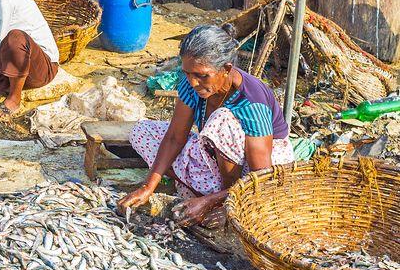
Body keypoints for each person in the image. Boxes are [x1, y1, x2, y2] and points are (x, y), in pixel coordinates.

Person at [118, 25, 295, 228]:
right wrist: (148, 186)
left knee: (222, 119)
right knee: (142, 132)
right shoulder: (191, 82)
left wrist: (209, 203)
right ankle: (211, 192)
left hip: (261, 171)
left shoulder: (252, 101)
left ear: (226, 69)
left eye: (202, 75)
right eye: (188, 73)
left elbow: (261, 176)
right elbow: (175, 137)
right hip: (216, 158)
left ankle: (226, 202)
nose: (193, 82)